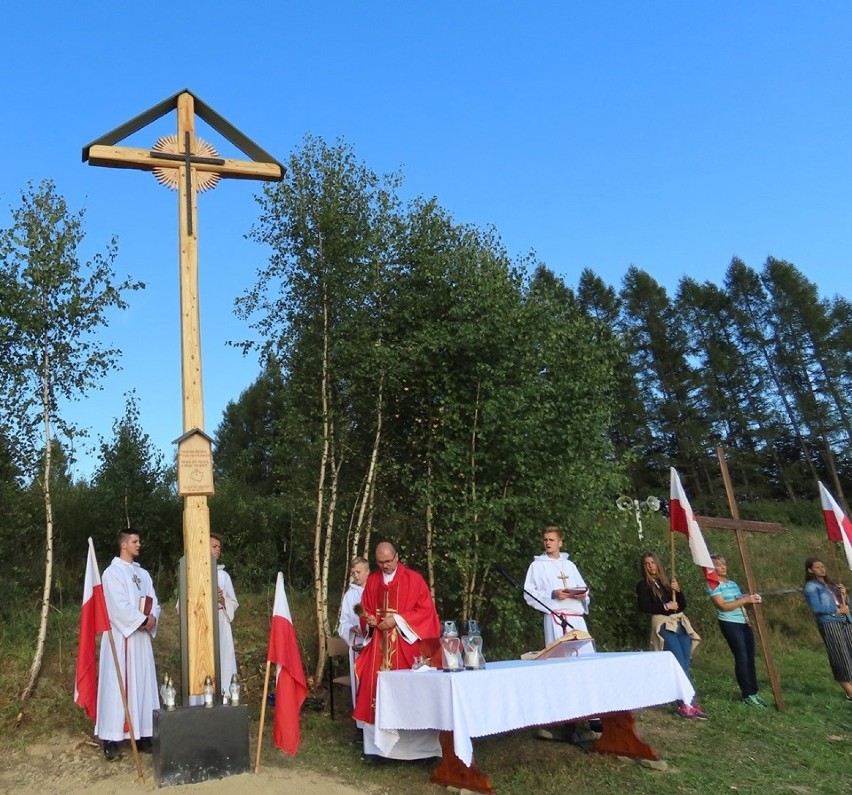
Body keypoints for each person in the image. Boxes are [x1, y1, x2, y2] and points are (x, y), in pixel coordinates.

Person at [353, 542, 441, 761]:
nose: (385, 566)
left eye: (389, 561)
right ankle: (377, 751)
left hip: (405, 647)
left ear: (397, 557)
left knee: (409, 693)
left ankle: (419, 753)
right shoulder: (372, 581)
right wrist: (371, 621)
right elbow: (365, 611)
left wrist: (397, 620)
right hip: (378, 650)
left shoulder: (413, 579)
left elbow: (426, 612)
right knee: (374, 691)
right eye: (381, 563)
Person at [95, 528, 161, 761]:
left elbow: (153, 600)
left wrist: (151, 618)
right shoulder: (112, 573)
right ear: (123, 545)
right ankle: (111, 737)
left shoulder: (143, 574)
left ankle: (143, 734)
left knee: (142, 684)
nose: (138, 545)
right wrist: (140, 620)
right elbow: (116, 605)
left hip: (141, 641)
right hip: (122, 638)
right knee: (118, 686)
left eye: (139, 541)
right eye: (135, 541)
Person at [636, 552, 707, 719]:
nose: (651, 566)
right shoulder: (643, 585)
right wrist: (666, 606)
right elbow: (645, 606)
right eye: (647, 563)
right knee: (678, 663)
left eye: (653, 562)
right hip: (664, 625)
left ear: (658, 564)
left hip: (679, 624)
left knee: (685, 661)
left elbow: (681, 605)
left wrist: (679, 592)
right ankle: (684, 703)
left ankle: (691, 701)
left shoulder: (667, 583)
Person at [706, 553, 766, 707]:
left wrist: (750, 597)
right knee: (742, 657)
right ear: (712, 568)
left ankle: (754, 691)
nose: (723, 567)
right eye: (718, 564)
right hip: (730, 623)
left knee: (750, 658)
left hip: (743, 622)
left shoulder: (732, 583)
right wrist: (745, 600)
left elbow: (739, 600)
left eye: (724, 563)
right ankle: (746, 693)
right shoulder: (713, 584)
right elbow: (723, 606)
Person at [523, 525, 592, 648]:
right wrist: (553, 594)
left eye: (551, 540)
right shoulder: (537, 565)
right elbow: (529, 593)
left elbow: (583, 588)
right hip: (556, 618)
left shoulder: (569, 565)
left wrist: (583, 595)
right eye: (545, 540)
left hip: (576, 619)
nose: (548, 543)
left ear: (560, 543)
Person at [802, 558, 852, 701]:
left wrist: (844, 595)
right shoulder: (811, 587)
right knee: (840, 654)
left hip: (846, 620)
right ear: (810, 570)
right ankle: (850, 692)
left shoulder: (832, 585)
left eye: (823, 566)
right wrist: (837, 610)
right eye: (818, 567)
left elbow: (847, 604)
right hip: (830, 622)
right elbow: (816, 608)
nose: (822, 569)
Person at [337, 556, 370, 720]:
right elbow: (342, 623)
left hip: (374, 644)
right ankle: (360, 724)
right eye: (353, 572)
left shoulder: (375, 591)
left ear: (367, 571)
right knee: (359, 683)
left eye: (358, 572)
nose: (356, 575)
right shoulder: (349, 596)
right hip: (358, 645)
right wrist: (352, 628)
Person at [211, 533, 239, 697]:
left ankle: (225, 696)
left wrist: (222, 600)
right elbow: (181, 605)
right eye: (214, 546)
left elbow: (233, 602)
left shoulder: (223, 575)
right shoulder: (193, 572)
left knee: (223, 660)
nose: (218, 550)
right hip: (201, 623)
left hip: (221, 620)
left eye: (219, 547)